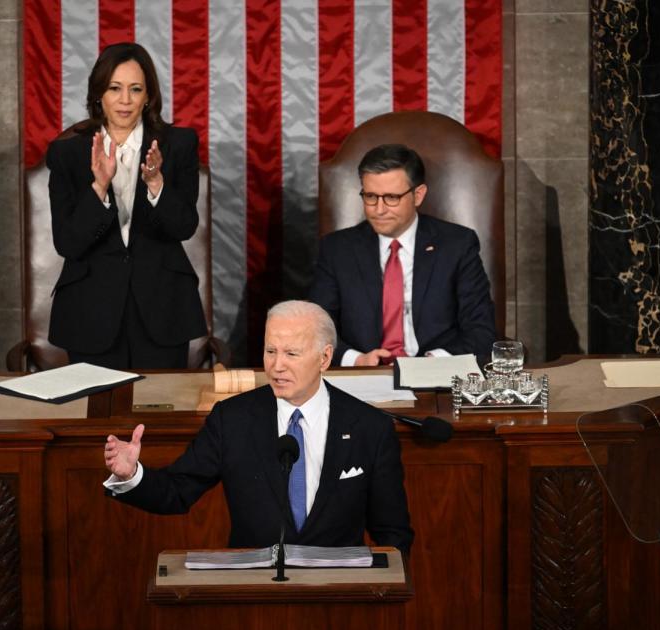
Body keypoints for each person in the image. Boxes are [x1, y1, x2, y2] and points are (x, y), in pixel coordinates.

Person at [102, 300, 414, 553]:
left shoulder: (369, 427)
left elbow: (393, 534)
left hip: (339, 601)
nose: (277, 366)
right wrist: (131, 474)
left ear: (324, 358)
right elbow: (177, 491)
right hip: (253, 597)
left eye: (291, 354)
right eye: (270, 351)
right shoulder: (232, 419)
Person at [46, 42, 206, 368]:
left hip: (164, 308)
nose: (125, 100)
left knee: (161, 413)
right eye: (115, 88)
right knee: (97, 416)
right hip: (90, 311)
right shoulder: (67, 153)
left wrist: (156, 183)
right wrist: (99, 186)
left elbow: (184, 226)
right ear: (98, 94)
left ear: (148, 96)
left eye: (135, 89)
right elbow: (68, 242)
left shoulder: (178, 145)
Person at [309, 143, 496, 365]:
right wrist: (356, 359)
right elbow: (317, 327)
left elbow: (481, 329)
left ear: (418, 195)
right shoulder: (337, 249)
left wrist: (433, 361)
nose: (378, 209)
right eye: (370, 196)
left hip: (436, 374)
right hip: (363, 376)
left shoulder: (457, 245)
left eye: (391, 198)